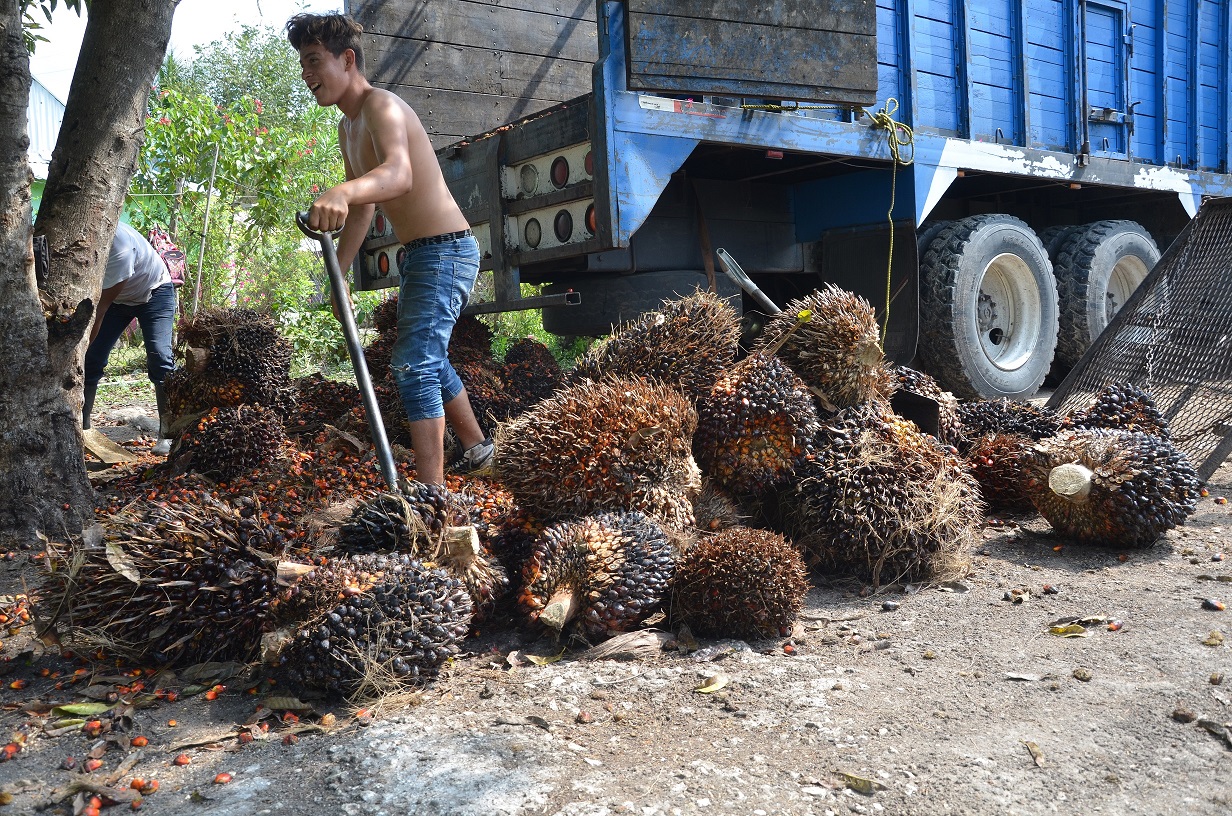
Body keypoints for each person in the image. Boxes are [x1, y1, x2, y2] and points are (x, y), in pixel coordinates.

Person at [286, 12, 494, 486]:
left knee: (413, 363)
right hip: (423, 254)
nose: (307, 74)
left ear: (348, 59)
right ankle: (478, 448)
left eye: (315, 60)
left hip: (448, 250)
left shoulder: (382, 106)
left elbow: (399, 176)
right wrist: (338, 279)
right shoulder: (347, 129)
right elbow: (363, 210)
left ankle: (430, 494)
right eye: (303, 64)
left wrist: (342, 190)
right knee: (428, 358)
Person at [83, 221, 177, 455]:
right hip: (119, 301)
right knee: (91, 360)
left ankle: (168, 435)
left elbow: (100, 309)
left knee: (160, 358)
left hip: (155, 292)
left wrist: (84, 344)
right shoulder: (83, 239)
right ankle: (82, 429)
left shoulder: (120, 250)